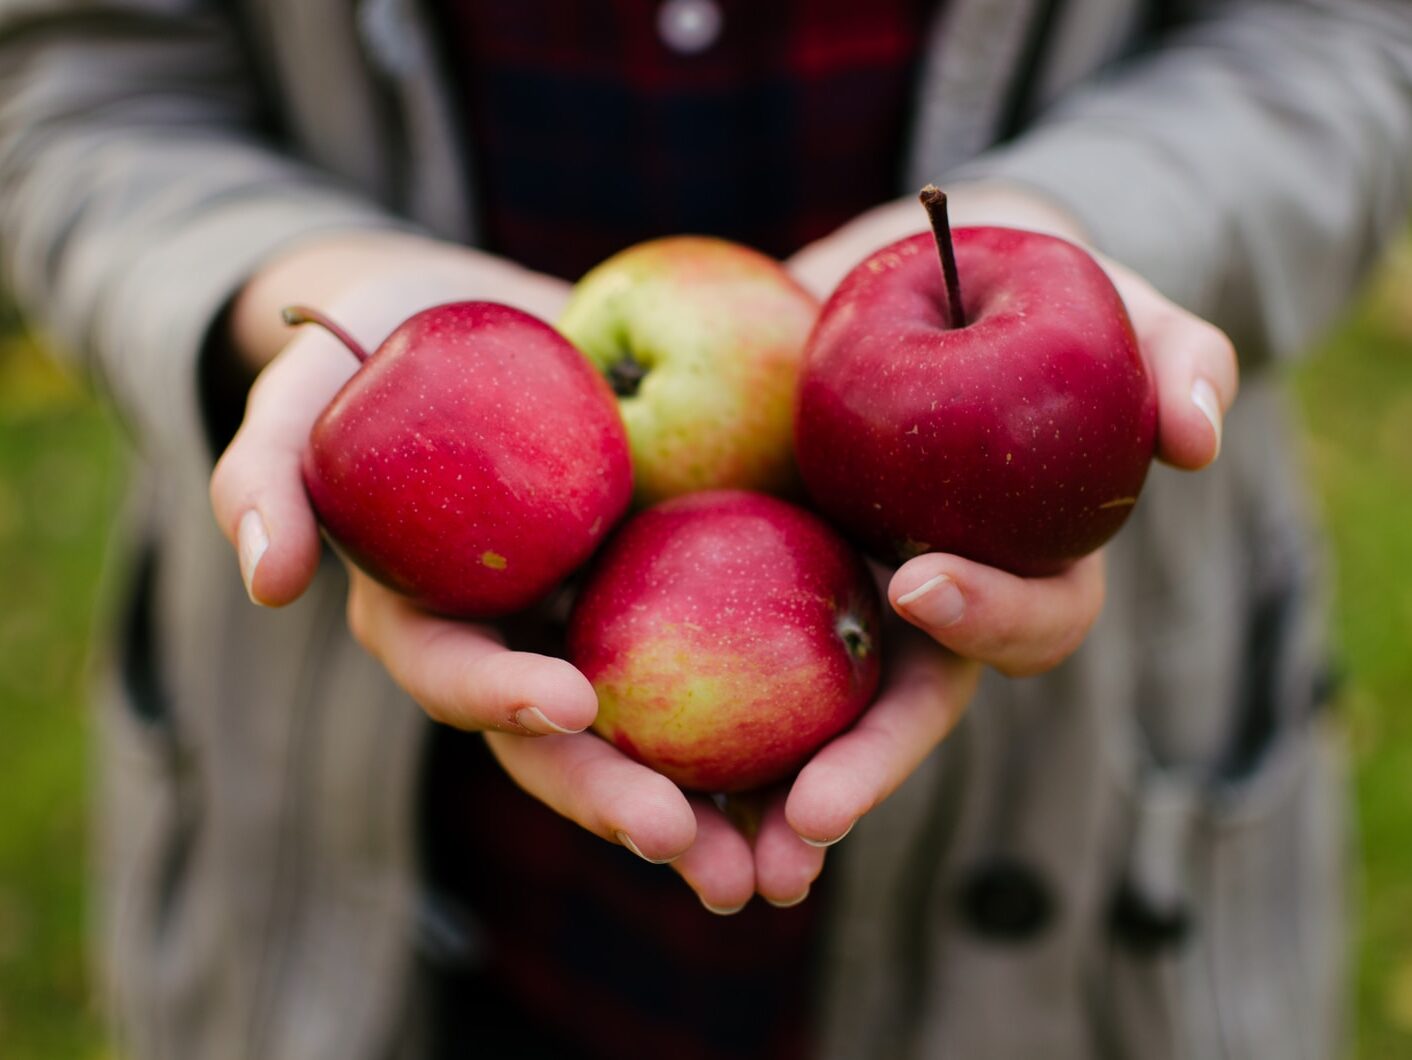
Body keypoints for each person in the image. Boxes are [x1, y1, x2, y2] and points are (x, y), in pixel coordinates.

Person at [1, 1, 1408, 1056]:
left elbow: (1338, 38)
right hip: (380, 860)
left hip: (1073, 838)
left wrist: (1077, 225)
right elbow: (77, 83)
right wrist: (281, 281)